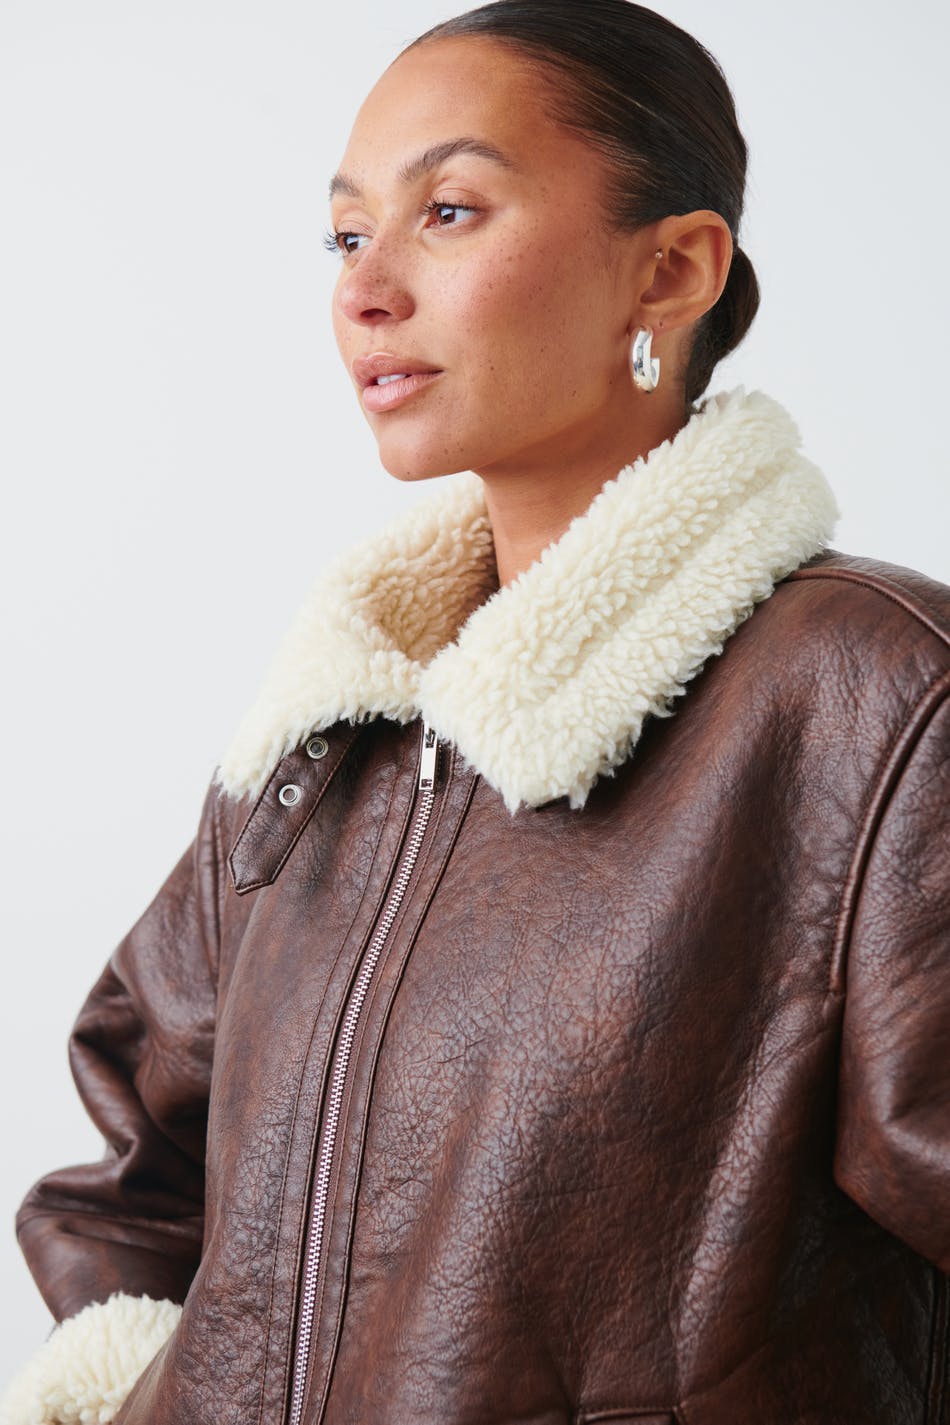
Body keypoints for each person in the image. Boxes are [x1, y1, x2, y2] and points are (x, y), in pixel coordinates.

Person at [2, 1, 948, 1421]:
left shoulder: (867, 699)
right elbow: (134, 1178)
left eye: (447, 210)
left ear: (674, 269)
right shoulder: (329, 733)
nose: (366, 289)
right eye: (344, 234)